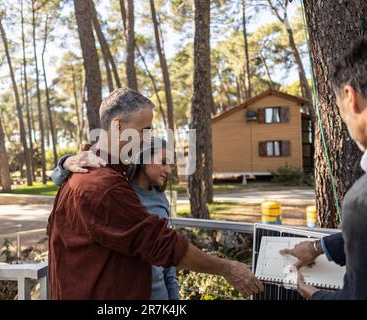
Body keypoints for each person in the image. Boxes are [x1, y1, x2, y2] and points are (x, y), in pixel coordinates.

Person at [47, 87, 263, 299]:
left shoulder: (86, 171)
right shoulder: (103, 185)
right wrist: (228, 268)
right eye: (145, 130)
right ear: (119, 126)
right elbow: (161, 243)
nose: (148, 139)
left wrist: (65, 162)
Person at [280, 37, 367, 300]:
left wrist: (313, 295)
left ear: (350, 97)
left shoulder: (360, 201)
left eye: (338, 108)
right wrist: (320, 247)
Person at [53, 137, 182, 300]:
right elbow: (62, 181)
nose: (169, 170)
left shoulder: (160, 197)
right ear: (143, 159)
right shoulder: (118, 190)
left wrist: (173, 296)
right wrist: (66, 161)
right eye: (163, 162)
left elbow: (166, 251)